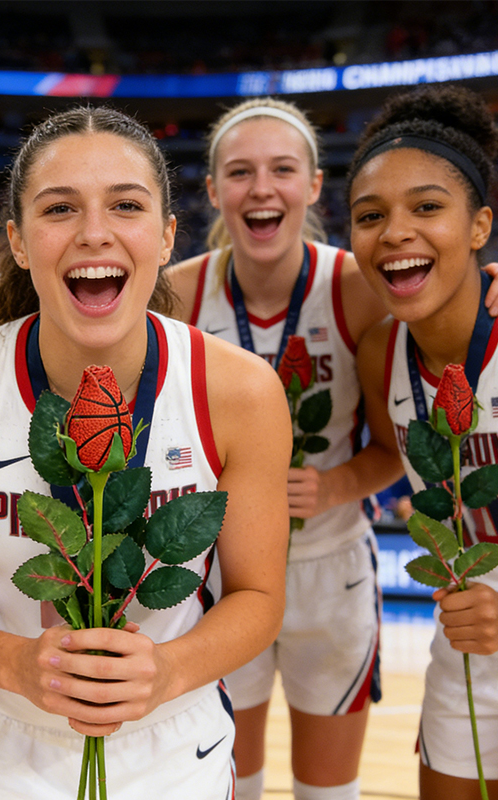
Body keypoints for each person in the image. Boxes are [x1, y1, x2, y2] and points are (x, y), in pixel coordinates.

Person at [0, 105, 291, 799]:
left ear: (165, 237)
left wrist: (170, 669)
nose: (94, 233)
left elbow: (258, 595)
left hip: (174, 740)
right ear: (17, 239)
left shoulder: (241, 390)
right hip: (0, 742)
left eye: (125, 206)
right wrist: (12, 663)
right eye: (60, 208)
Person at [165, 97, 408, 800]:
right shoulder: (177, 295)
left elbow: (393, 449)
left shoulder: (359, 290)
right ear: (214, 192)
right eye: (240, 172)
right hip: (217, 573)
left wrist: (333, 486)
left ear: (311, 185)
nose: (261, 188)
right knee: (226, 784)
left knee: (328, 789)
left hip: (330, 567)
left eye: (281, 170)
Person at [348, 83, 498, 800]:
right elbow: (404, 478)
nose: (395, 231)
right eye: (370, 215)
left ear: (479, 227)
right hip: (464, 647)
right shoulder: (380, 353)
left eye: (428, 207)